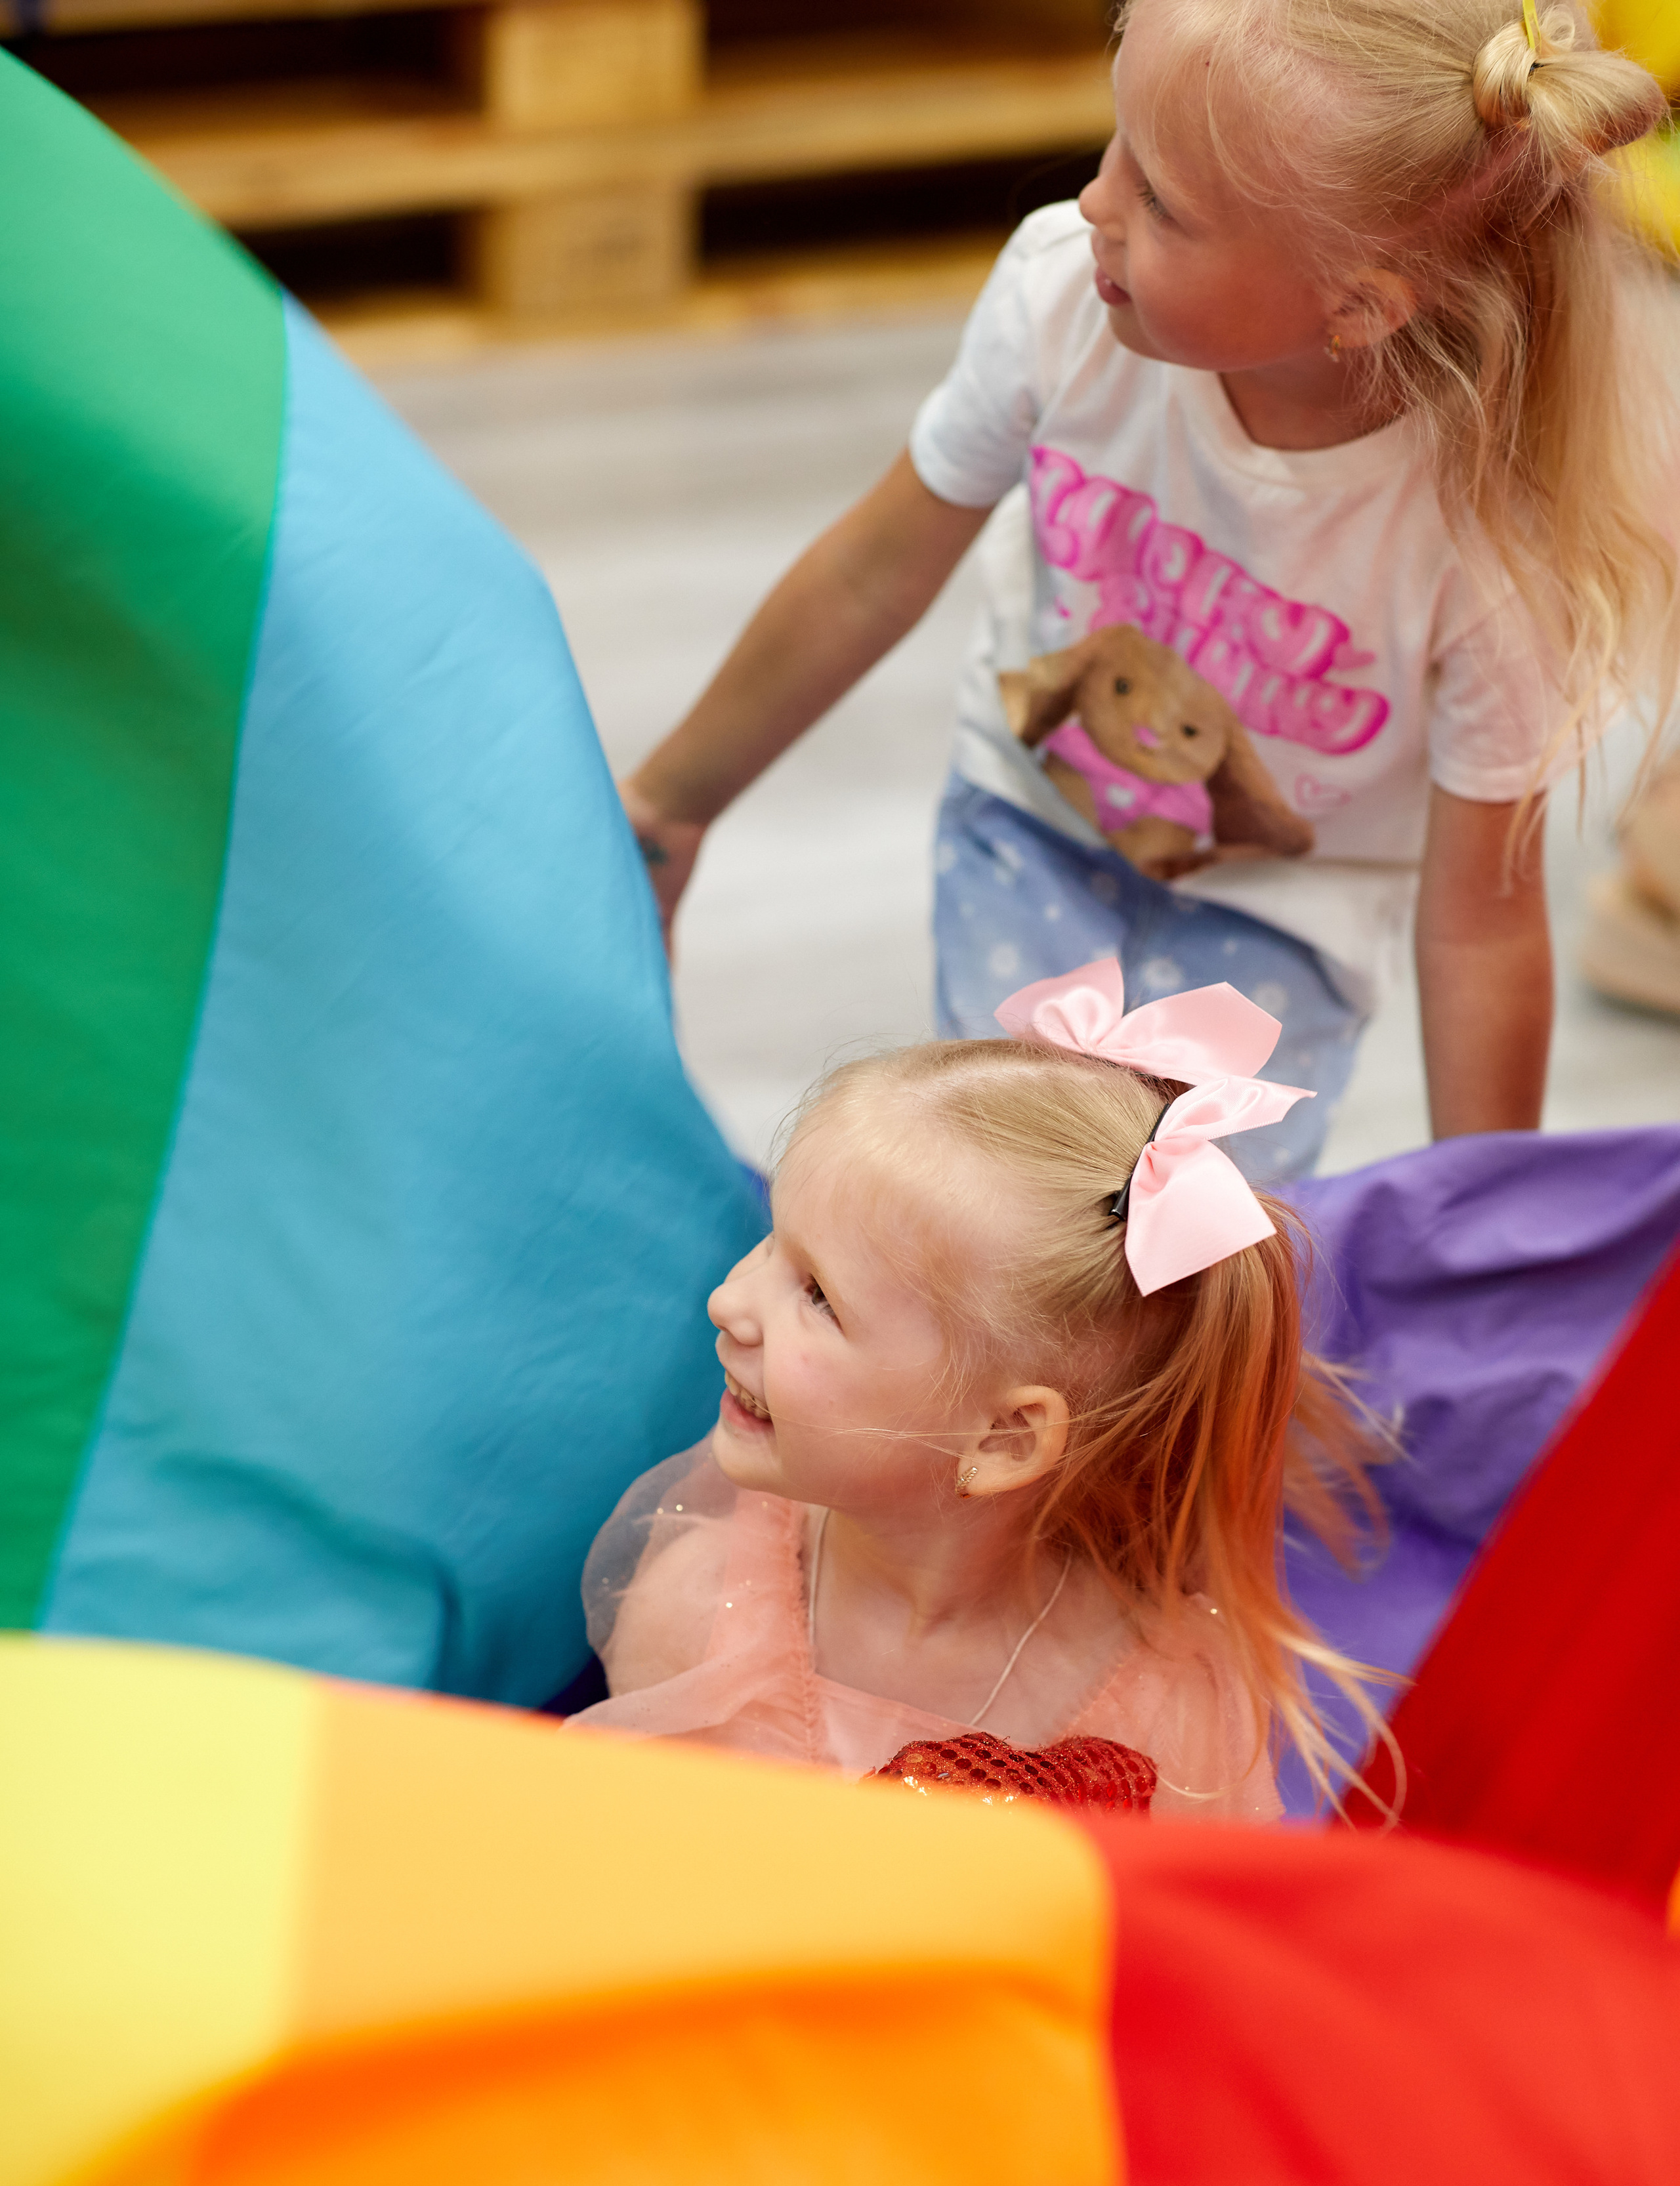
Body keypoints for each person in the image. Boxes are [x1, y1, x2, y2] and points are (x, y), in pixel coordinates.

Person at [620, 0, 1675, 1179]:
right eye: (1116, 146)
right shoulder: (1060, 298)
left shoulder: (1489, 548)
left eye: (1162, 201)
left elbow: (1481, 926)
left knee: (1173, 1281)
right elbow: (874, 573)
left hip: (1279, 928)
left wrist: (1482, 1229)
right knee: (993, 1209)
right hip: (1029, 828)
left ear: (1360, 305)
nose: (1093, 205)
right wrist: (672, 804)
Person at [571, 959, 1380, 1818]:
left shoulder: (1167, 1718)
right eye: (774, 1243)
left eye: (817, 1295)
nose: (728, 1302)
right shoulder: (696, 1616)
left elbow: (1171, 1939)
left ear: (1002, 1439)